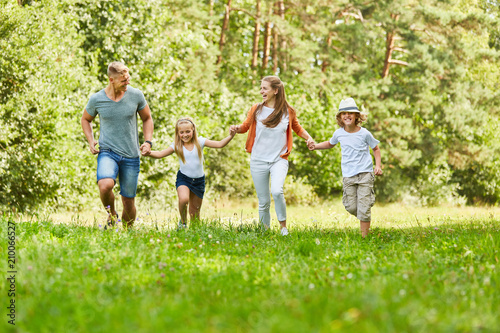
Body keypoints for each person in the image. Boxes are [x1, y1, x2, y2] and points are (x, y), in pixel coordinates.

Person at [230, 76, 314, 236]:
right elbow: (245, 126)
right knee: (264, 201)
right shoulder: (256, 109)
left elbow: (297, 128)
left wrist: (309, 138)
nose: (261, 91)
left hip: (279, 159)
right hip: (258, 160)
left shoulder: (288, 111)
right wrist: (236, 128)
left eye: (265, 88)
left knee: (277, 191)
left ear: (275, 91)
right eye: (261, 88)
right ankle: (264, 231)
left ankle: (283, 227)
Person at [81, 61, 154, 229]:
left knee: (128, 201)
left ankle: (127, 236)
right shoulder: (97, 99)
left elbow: (147, 118)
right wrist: (91, 140)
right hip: (108, 151)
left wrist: (148, 141)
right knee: (105, 185)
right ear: (111, 80)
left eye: (128, 79)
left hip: (131, 154)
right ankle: (112, 214)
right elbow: (85, 119)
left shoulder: (136, 95)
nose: (127, 83)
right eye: (123, 80)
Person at [308, 97, 382, 238]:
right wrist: (315, 146)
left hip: (365, 174)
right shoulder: (339, 133)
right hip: (348, 175)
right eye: (344, 113)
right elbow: (330, 143)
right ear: (340, 117)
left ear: (356, 116)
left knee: (364, 207)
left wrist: (377, 166)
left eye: (350, 113)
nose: (347, 115)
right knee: (352, 207)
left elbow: (376, 149)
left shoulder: (364, 133)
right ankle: (363, 211)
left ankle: (364, 237)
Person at [146, 117, 236, 229]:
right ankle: (183, 223)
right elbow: (160, 154)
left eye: (188, 131)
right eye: (182, 132)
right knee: (183, 199)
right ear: (178, 133)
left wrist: (231, 136)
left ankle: (194, 231)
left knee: (195, 216)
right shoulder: (177, 145)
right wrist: (148, 153)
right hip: (184, 179)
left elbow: (219, 144)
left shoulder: (200, 142)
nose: (185, 135)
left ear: (193, 130)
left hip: (199, 181)